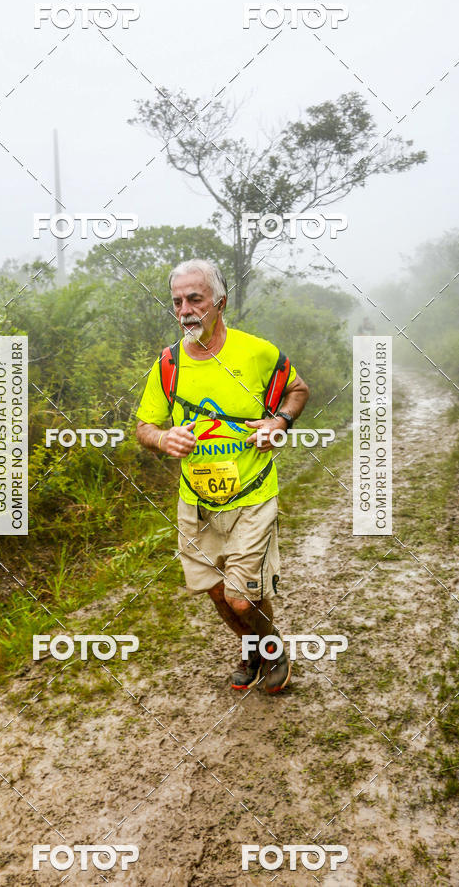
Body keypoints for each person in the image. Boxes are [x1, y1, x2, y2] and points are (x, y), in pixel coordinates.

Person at [135, 259, 309, 693]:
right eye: (177, 302)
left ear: (221, 302)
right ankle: (252, 648)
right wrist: (163, 439)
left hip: (251, 496)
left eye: (195, 299)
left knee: (240, 597)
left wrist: (279, 422)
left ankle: (272, 649)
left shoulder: (257, 352)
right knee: (216, 592)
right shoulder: (169, 364)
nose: (185, 310)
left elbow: (297, 389)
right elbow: (144, 427)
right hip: (197, 503)